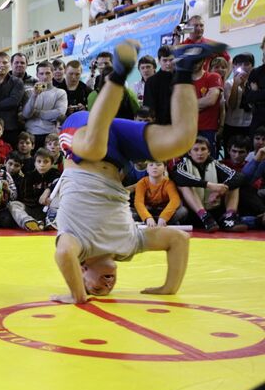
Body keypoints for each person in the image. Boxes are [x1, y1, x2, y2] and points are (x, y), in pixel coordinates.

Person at [52, 39, 227, 304]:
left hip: (81, 137)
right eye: (105, 291)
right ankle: (184, 66)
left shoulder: (79, 246)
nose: (105, 287)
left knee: (94, 147)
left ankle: (119, 71)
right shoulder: (129, 245)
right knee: (181, 141)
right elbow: (178, 240)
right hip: (117, 151)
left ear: (83, 270)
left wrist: (78, 297)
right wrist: (169, 288)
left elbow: (64, 255)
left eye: (94, 288)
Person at [172, 136, 247, 232]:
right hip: (194, 214)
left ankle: (229, 217)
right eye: (196, 149)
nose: (200, 153)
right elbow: (179, 177)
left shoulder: (215, 164)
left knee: (233, 184)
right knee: (184, 185)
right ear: (189, 153)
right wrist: (210, 185)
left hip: (214, 210)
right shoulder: (181, 165)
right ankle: (203, 215)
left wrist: (223, 189)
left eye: (203, 149)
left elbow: (238, 176)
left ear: (209, 152)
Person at [21, 61, 67, 148]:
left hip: (50, 134)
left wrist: (36, 113)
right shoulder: (29, 92)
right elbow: (26, 114)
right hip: (31, 133)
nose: (45, 76)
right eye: (41, 73)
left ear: (53, 74)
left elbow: (59, 113)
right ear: (37, 75)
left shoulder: (60, 93)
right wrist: (34, 95)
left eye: (48, 73)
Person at [133, 161, 187, 227]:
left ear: (164, 168)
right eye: (151, 165)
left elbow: (175, 201)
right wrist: (147, 217)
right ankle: (156, 222)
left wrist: (164, 217)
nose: (155, 167)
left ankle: (160, 222)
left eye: (158, 165)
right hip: (149, 212)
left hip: (164, 212)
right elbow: (138, 203)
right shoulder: (141, 183)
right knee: (130, 213)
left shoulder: (169, 183)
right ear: (147, 169)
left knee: (183, 211)